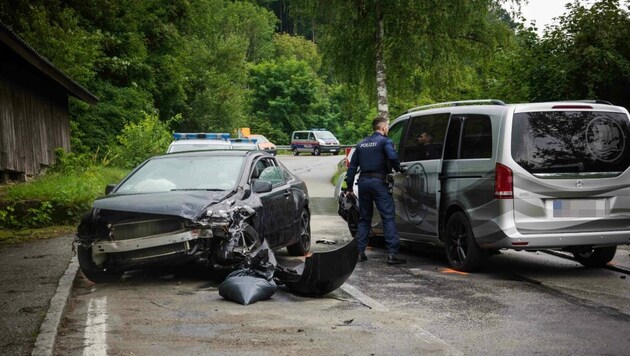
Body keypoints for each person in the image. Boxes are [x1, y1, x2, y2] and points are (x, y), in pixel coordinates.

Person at [345, 116, 406, 265]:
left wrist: (349, 188)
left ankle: (360, 253)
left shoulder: (361, 144)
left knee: (365, 218)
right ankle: (392, 254)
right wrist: (399, 168)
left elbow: (352, 168)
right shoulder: (385, 141)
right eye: (388, 126)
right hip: (379, 182)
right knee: (388, 216)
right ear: (384, 127)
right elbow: (392, 157)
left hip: (364, 183)